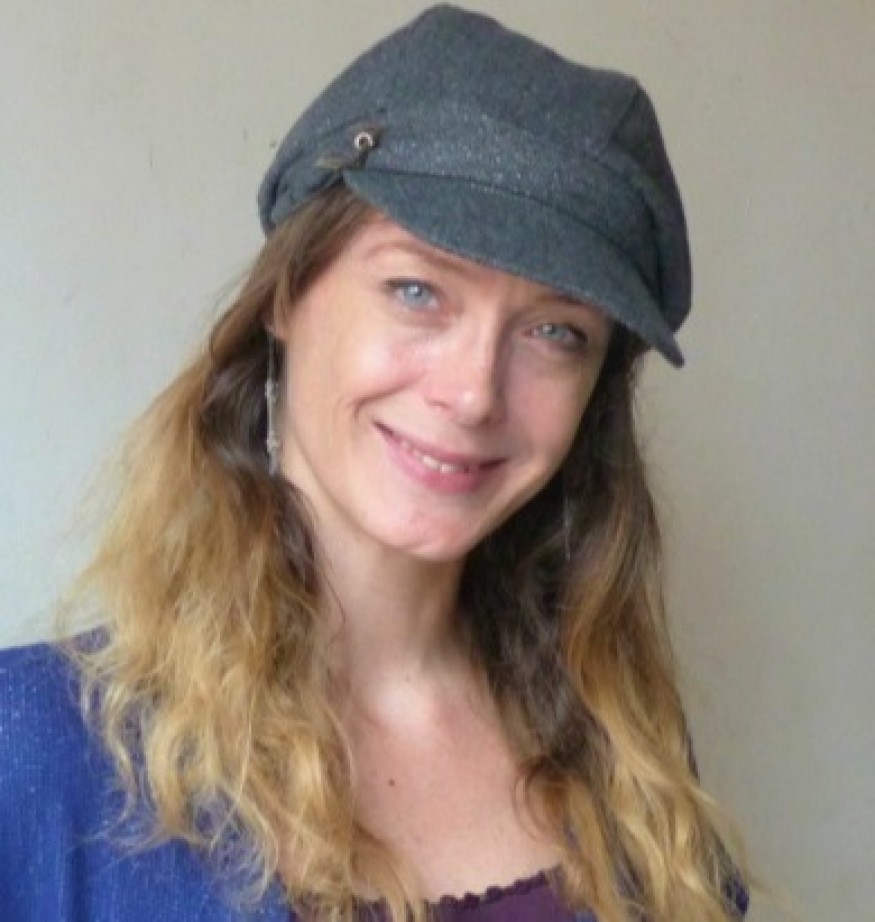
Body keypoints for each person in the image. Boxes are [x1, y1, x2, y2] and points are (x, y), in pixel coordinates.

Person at [0, 5, 749, 921]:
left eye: (556, 332)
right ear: (285, 296)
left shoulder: (630, 763)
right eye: (416, 290)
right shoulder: (35, 752)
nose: (472, 392)